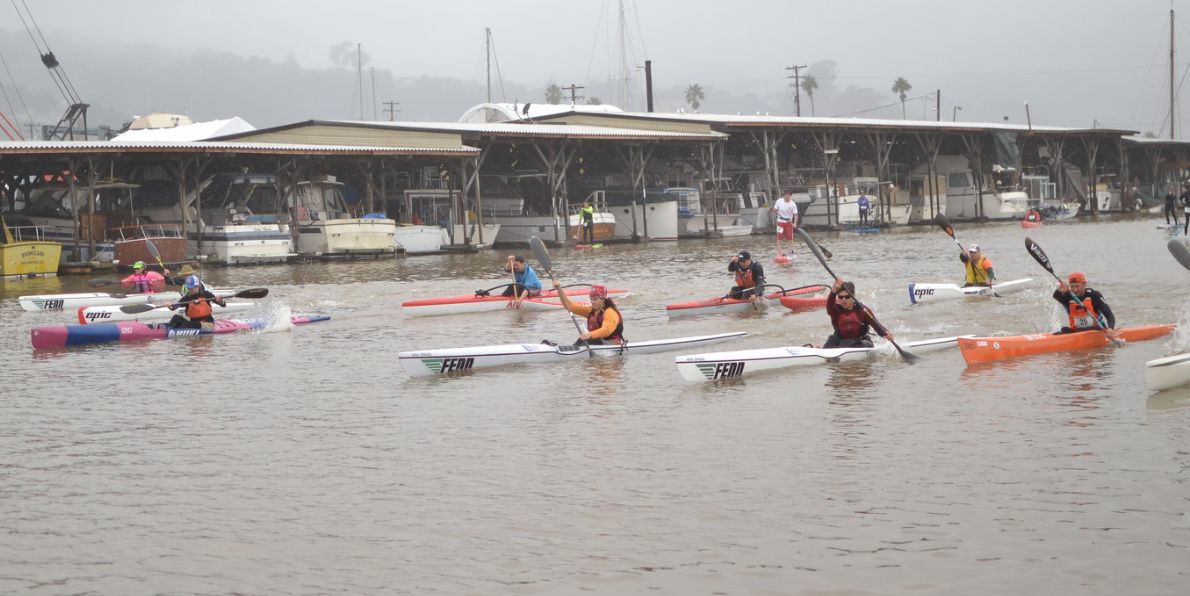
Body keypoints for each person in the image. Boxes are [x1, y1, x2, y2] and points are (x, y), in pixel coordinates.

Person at [823, 278, 894, 348]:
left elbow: (875, 324)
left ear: (853, 296)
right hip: (841, 341)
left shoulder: (862, 310)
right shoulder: (836, 311)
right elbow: (830, 305)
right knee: (832, 340)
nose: (844, 300)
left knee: (845, 343)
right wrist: (833, 290)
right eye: (841, 297)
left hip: (861, 342)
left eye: (847, 297)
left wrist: (885, 332)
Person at [552, 281, 624, 346]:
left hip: (613, 344)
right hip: (596, 342)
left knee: (586, 340)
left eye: (595, 299)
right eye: (591, 299)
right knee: (584, 340)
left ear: (603, 299)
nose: (592, 302)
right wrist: (559, 290)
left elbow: (607, 330)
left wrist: (589, 335)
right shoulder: (591, 310)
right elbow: (570, 307)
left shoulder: (610, 312)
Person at [1052, 271, 1119, 340]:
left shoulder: (1094, 295)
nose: (1075, 289)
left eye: (1077, 286)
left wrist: (1110, 328)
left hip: (1096, 330)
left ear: (1084, 284)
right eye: (1072, 287)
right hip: (1077, 331)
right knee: (1064, 329)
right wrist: (1059, 290)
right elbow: (1056, 296)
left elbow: (1109, 315)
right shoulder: (1068, 296)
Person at [769, 190, 800, 257]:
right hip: (780, 223)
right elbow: (776, 209)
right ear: (784, 196)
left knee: (790, 239)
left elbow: (796, 214)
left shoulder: (793, 204)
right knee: (779, 238)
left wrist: (795, 223)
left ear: (791, 196)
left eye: (789, 196)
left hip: (789, 224)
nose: (787, 198)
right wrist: (772, 210)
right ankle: (780, 253)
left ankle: (791, 252)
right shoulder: (779, 201)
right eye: (786, 196)